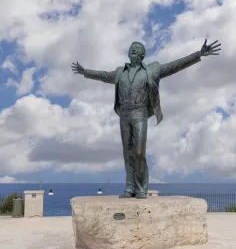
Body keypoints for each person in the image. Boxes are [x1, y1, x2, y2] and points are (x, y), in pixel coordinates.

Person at [72, 39, 221, 199]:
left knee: (139, 151)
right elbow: (103, 75)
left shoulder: (152, 70)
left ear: (143, 55)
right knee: (127, 152)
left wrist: (198, 54)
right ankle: (130, 188)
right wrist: (85, 71)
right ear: (129, 53)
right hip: (124, 114)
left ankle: (141, 188)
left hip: (140, 112)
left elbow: (175, 66)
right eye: (132, 48)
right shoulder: (119, 72)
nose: (134, 50)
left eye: (137, 48)